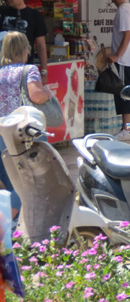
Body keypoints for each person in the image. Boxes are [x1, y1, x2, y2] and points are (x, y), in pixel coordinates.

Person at [0, 32, 53, 220]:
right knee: (30, 183)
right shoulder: (28, 70)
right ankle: (20, 223)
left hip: (2, 134)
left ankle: (10, 225)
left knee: (10, 182)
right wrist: (47, 93)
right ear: (24, 50)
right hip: (24, 134)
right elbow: (36, 96)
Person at [108, 0, 130, 141]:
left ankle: (126, 128)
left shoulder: (123, 11)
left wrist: (116, 56)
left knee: (124, 94)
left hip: (125, 60)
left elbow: (127, 35)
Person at [0, 0, 48, 84]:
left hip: (24, 69)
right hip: (2, 68)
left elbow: (41, 45)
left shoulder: (34, 15)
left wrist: (44, 71)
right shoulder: (1, 12)